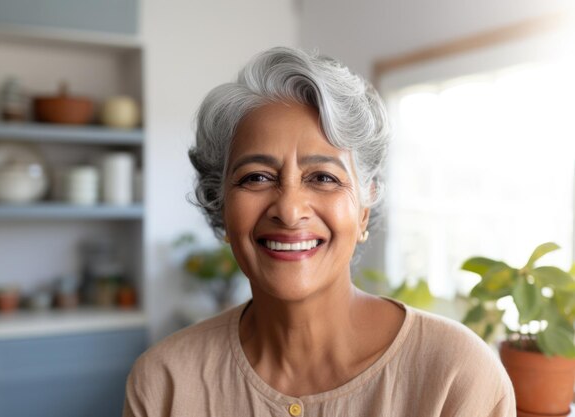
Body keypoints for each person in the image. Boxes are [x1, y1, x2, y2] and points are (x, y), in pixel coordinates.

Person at [123, 47, 515, 417]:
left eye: (324, 177)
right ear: (220, 204)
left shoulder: (457, 376)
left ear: (364, 208)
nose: (290, 211)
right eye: (256, 177)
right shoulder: (164, 384)